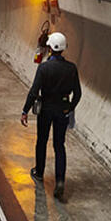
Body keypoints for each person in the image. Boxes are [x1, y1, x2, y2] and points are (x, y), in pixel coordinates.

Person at [20, 32, 81, 199]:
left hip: (46, 108)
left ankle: (39, 172)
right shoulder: (71, 68)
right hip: (62, 110)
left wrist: (25, 110)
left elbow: (34, 92)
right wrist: (69, 108)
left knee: (42, 140)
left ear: (50, 48)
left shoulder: (44, 67)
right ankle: (60, 180)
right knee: (59, 145)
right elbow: (77, 93)